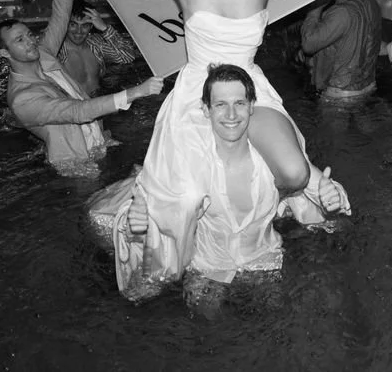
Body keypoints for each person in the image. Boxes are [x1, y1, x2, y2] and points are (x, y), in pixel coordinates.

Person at [37, 0, 350, 295]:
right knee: (186, 199)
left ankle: (281, 204)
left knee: (296, 175)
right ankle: (176, 234)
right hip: (198, 95)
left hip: (247, 89)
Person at [90, 64, 349, 308]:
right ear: (206, 110)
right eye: (221, 104)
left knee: (280, 321)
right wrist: (139, 226)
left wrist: (330, 202)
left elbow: (322, 201)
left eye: (239, 103)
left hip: (263, 260)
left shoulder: (275, 163)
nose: (231, 115)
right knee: (206, 325)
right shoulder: (191, 169)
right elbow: (161, 215)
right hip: (207, 269)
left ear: (252, 107)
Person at [0, 0, 163, 170]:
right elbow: (77, 111)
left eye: (29, 35)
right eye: (19, 40)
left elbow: (60, 17)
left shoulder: (44, 54)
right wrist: (137, 92)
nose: (31, 41)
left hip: (99, 138)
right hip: (76, 162)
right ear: (5, 52)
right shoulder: (22, 98)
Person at [300, 0, 382, 99]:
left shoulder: (341, 11)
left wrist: (314, 10)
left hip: (340, 93)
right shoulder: (372, 4)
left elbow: (308, 44)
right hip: (367, 85)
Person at [58, 0, 138, 97]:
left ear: (91, 26)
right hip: (73, 104)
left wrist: (104, 28)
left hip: (99, 100)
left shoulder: (95, 44)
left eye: (85, 25)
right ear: (65, 25)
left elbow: (128, 57)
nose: (79, 31)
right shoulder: (57, 50)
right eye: (73, 25)